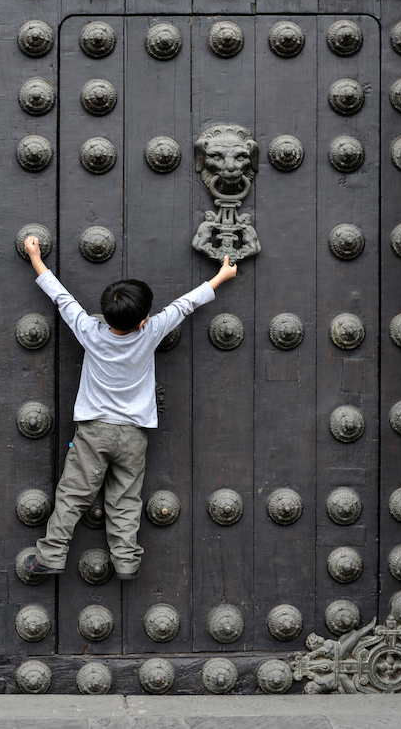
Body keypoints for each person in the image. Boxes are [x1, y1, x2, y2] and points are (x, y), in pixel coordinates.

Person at [23, 235, 237, 579]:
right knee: (125, 501)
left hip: (94, 432)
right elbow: (184, 305)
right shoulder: (150, 332)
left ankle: (50, 556)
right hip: (134, 435)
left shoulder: (89, 331)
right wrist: (220, 277)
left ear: (106, 313)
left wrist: (36, 258)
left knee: (73, 495)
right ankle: (126, 562)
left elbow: (62, 299)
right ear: (143, 319)